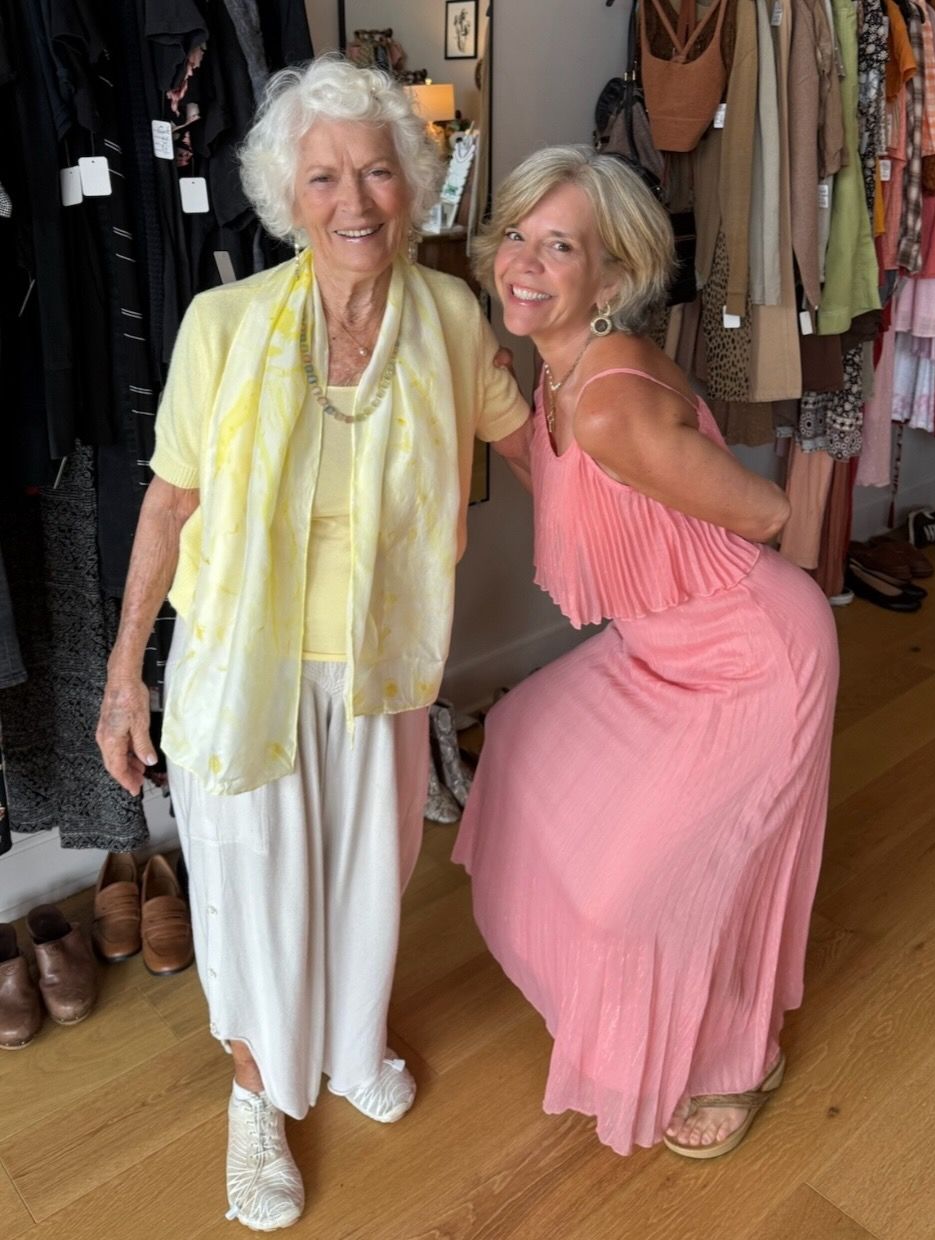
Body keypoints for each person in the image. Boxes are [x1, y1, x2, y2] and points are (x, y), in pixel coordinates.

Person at [96, 57, 530, 1231]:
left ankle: (347, 1043)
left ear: (413, 184)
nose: (355, 201)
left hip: (382, 656)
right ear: (290, 196)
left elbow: (540, 443)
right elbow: (168, 504)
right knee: (253, 887)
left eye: (378, 171)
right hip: (248, 663)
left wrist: (651, 501)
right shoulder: (223, 326)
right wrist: (124, 673)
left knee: (368, 870)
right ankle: (257, 1095)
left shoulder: (446, 317)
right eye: (326, 176)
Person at [453, 146, 839, 1159]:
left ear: (611, 280)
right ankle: (626, 1010)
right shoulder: (560, 371)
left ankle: (737, 1060)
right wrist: (488, 402)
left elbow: (763, 511)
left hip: (750, 660)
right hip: (656, 650)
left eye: (561, 246)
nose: (524, 264)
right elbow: (577, 495)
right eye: (519, 238)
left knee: (647, 888)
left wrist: (673, 480)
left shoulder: (611, 399)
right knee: (526, 742)